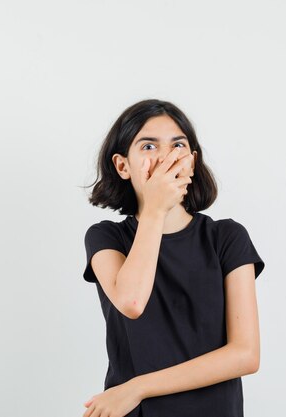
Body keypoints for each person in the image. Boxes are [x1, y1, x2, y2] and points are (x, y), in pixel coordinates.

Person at [81, 99, 266, 417]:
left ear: (191, 162)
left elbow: (245, 355)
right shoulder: (106, 238)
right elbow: (132, 302)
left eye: (177, 144)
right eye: (149, 146)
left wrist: (137, 387)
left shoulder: (226, 238)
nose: (166, 156)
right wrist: (154, 209)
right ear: (123, 165)